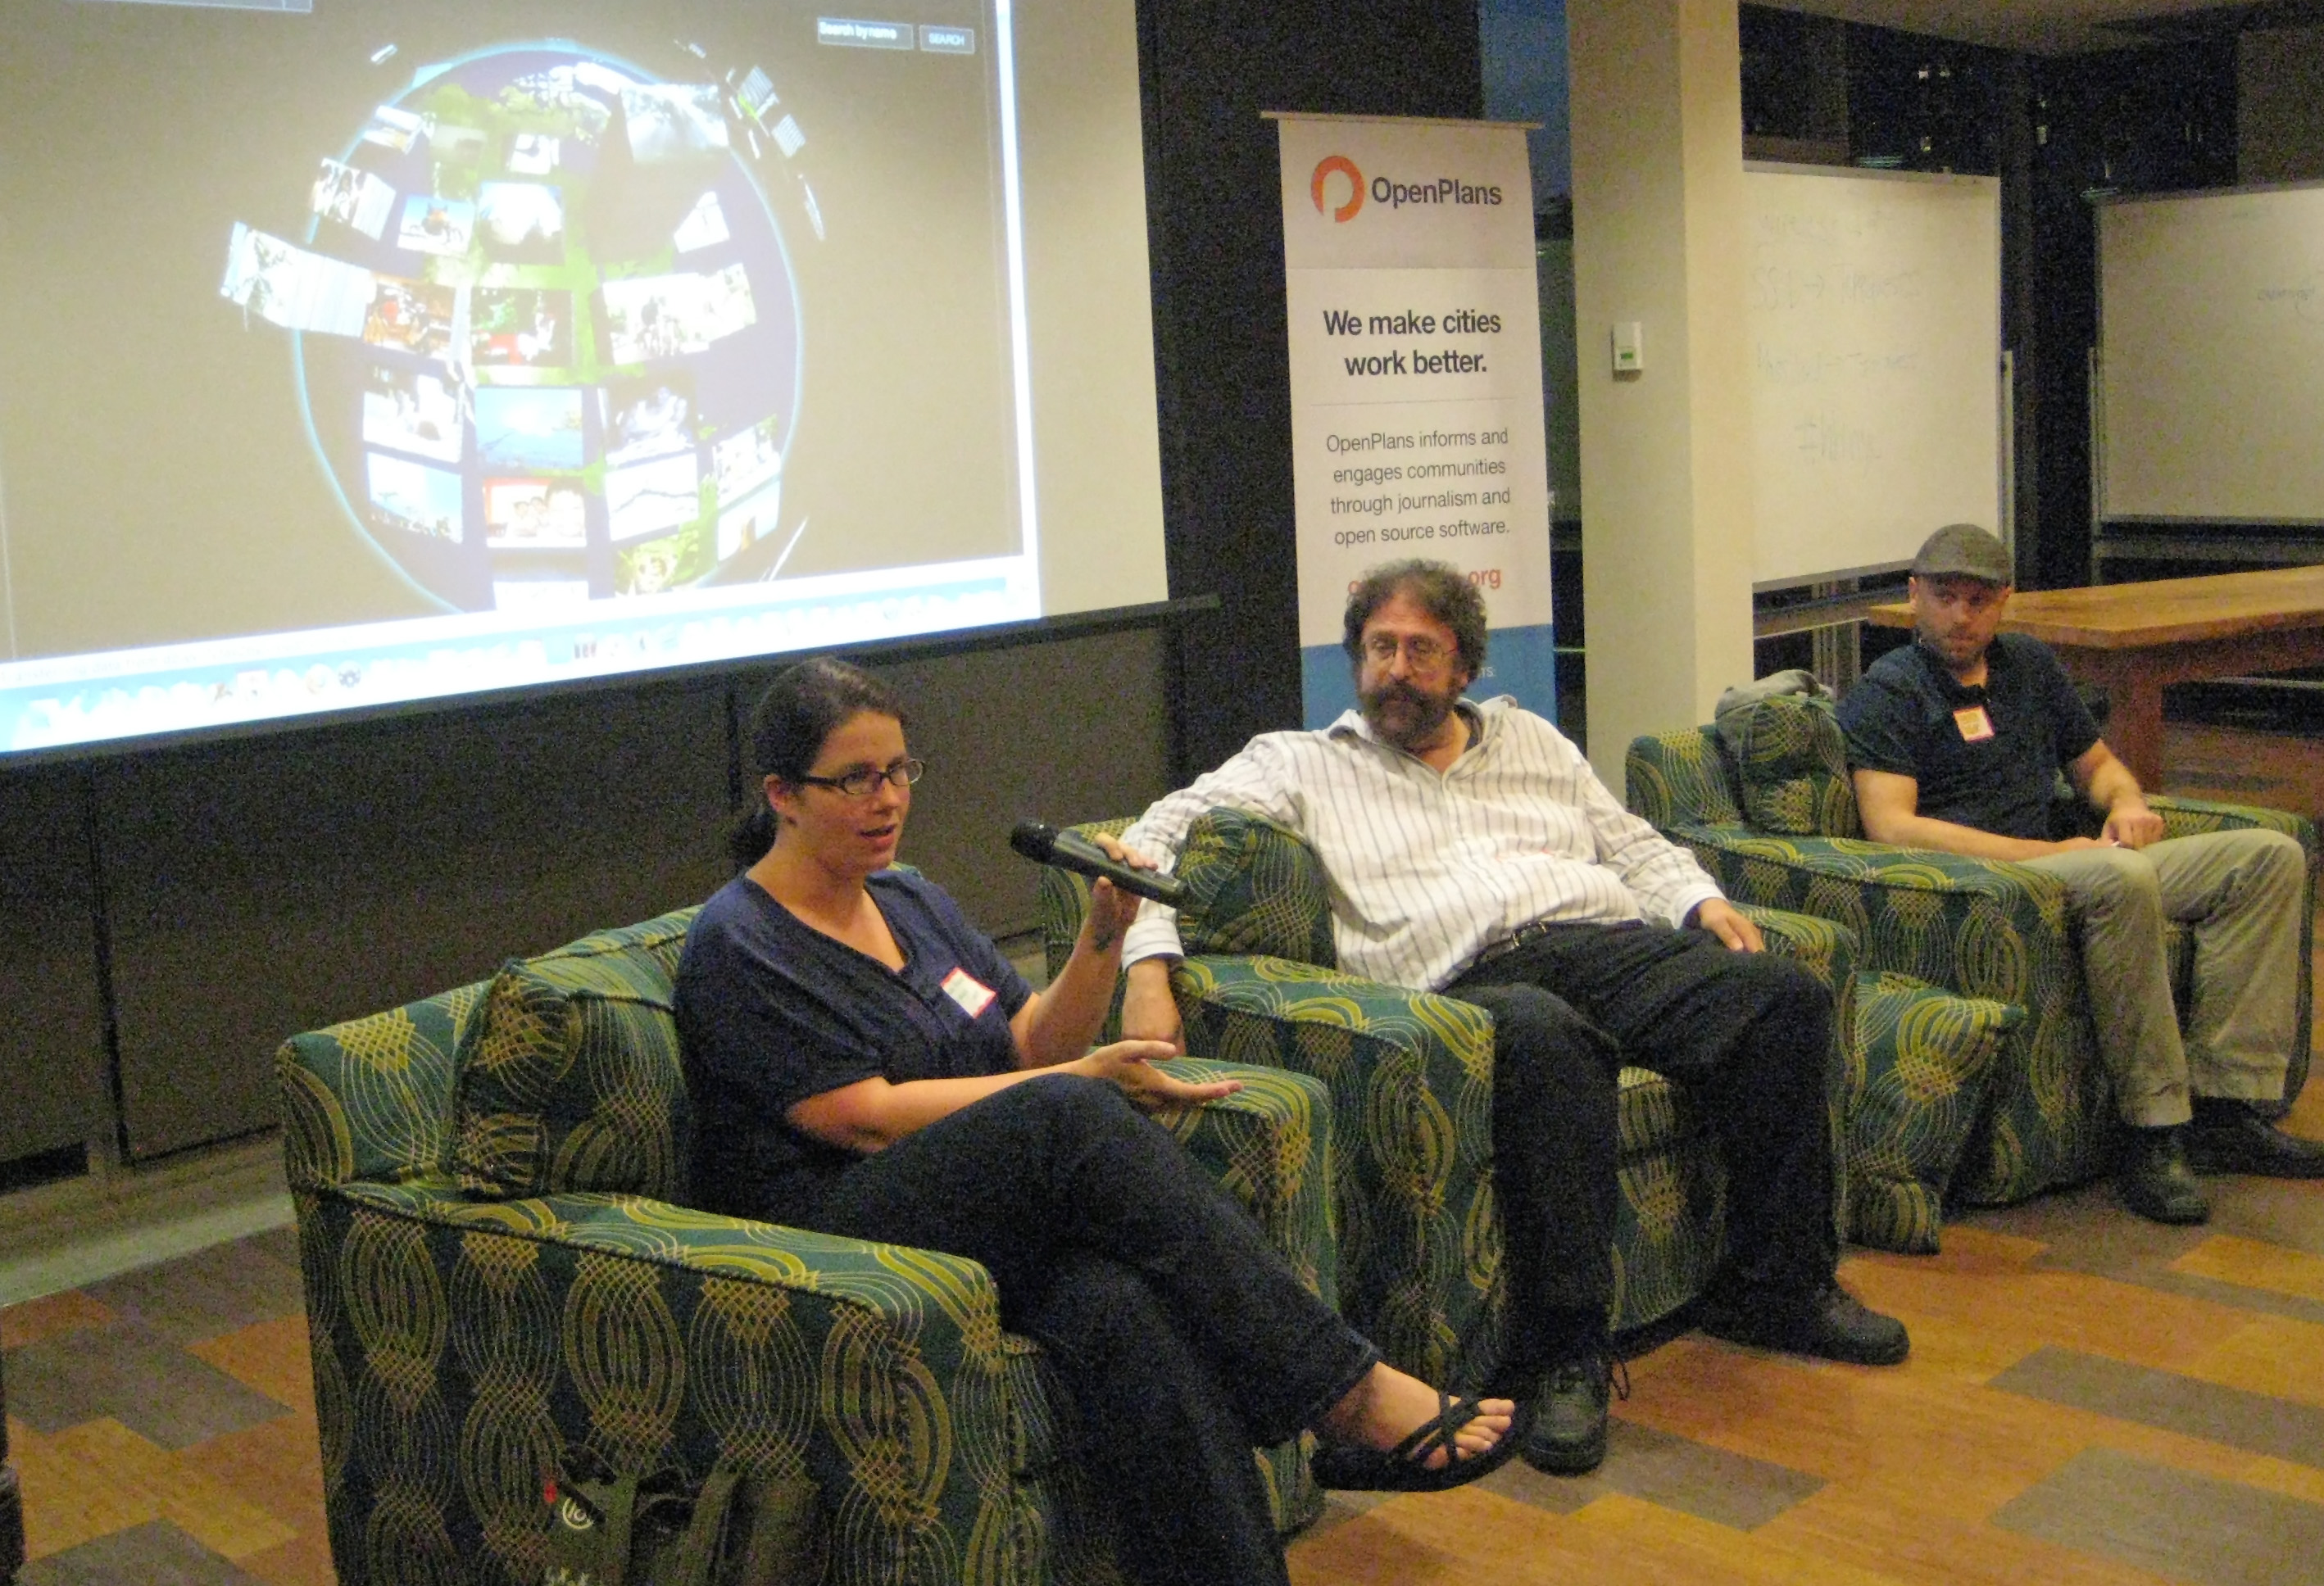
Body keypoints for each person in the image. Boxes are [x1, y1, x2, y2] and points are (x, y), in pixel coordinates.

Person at [674, 658, 1518, 1586]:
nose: (887, 800)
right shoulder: (741, 940)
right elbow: (862, 1119)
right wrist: (1074, 1080)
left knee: (1126, 1308)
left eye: (900, 771)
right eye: (855, 780)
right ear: (782, 794)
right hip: (835, 1235)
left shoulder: (908, 897)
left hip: (961, 1206)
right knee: (1071, 1113)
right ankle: (1344, 1390)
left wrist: (1103, 934)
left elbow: (1031, 1042)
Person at [1118, 560, 1909, 1483]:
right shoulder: (1298, 761)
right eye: (1379, 648)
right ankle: (1563, 1353)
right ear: (1354, 659)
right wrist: (1148, 960)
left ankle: (1779, 1285)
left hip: (1599, 935)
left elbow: (1626, 838)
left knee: (1781, 998)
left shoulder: (1530, 737)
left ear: (1463, 667)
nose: (1396, 669)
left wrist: (1695, 900)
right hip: (1465, 980)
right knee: (1543, 1035)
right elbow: (1154, 833)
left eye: (1422, 650)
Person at [1837, 523, 2324, 1225]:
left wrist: (2126, 804)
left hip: (2073, 862)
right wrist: (2059, 854)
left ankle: (2226, 1105)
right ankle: (2153, 1129)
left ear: (2006, 601)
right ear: (1915, 596)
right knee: (2123, 880)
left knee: (2267, 857)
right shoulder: (1890, 689)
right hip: (1995, 884)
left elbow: (2096, 765)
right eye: (1945, 597)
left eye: (1979, 599)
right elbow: (1893, 826)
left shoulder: (2028, 667)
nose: (1961, 616)